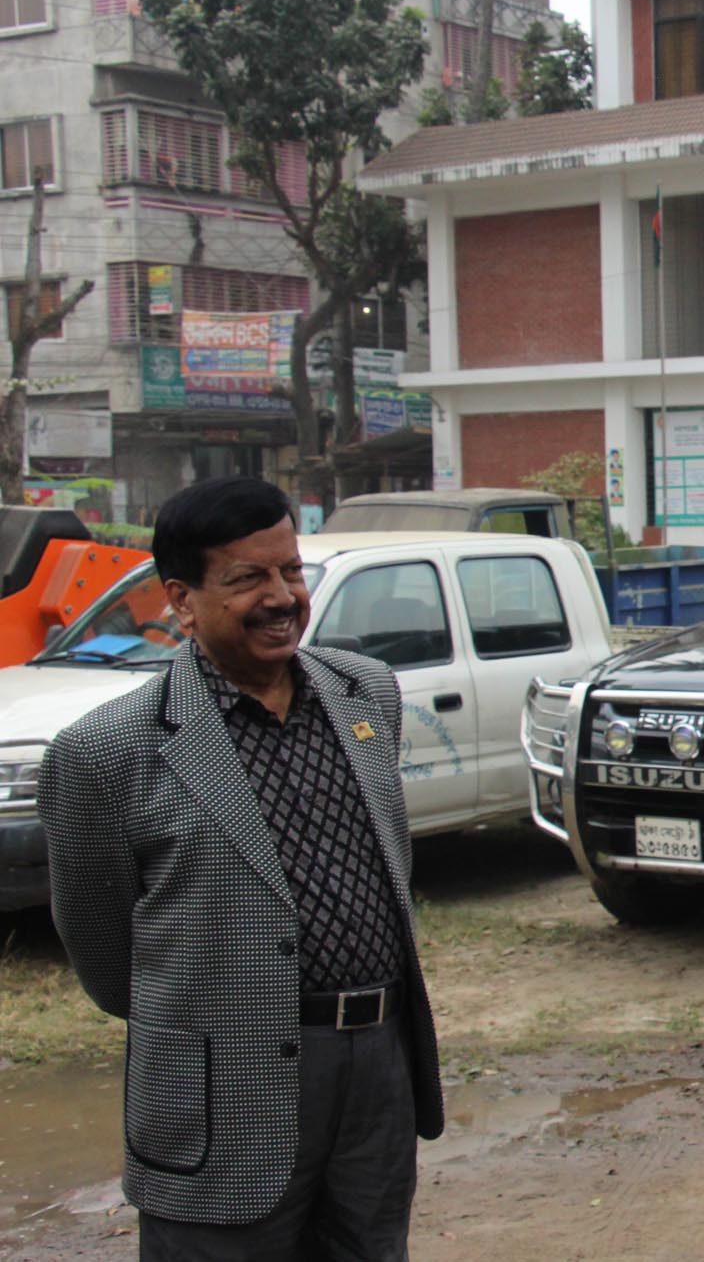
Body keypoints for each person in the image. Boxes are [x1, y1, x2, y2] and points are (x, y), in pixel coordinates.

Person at [38, 477, 443, 1258]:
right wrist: (217, 1011)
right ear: (181, 601)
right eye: (248, 577)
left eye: (290, 570)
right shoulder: (107, 752)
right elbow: (104, 952)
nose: (281, 597)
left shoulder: (366, 694)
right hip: (222, 1085)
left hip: (376, 1071)